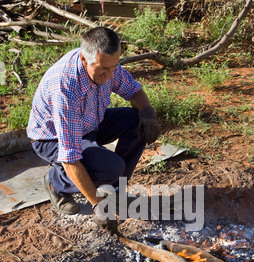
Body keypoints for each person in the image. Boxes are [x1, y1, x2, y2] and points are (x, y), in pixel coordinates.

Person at [27, 26, 160, 230]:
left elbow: (134, 90)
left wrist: (148, 111)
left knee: (136, 120)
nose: (109, 75)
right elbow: (70, 156)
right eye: (103, 70)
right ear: (83, 59)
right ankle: (56, 182)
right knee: (111, 167)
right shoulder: (66, 87)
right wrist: (98, 205)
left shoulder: (107, 64)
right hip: (52, 139)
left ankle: (115, 191)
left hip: (89, 124)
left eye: (114, 67)